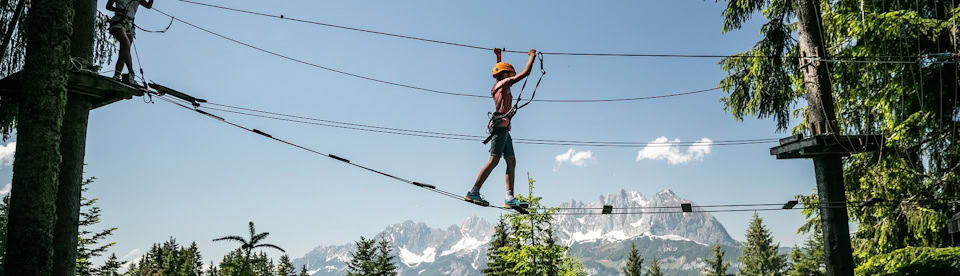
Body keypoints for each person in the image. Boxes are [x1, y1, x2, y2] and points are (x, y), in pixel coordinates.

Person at [465, 48, 537, 208]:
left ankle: (509, 198)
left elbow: (499, 70)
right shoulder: (505, 84)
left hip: (503, 129)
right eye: (510, 73)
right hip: (500, 128)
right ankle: (473, 192)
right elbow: (525, 73)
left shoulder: (498, 84)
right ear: (505, 75)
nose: (512, 76)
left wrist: (498, 57)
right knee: (494, 160)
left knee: (511, 160)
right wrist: (531, 56)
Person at [106, 0, 154, 84]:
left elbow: (148, 6)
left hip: (129, 25)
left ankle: (117, 75)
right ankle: (131, 72)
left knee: (124, 51)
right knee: (126, 43)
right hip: (118, 21)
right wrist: (120, 10)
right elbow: (108, 6)